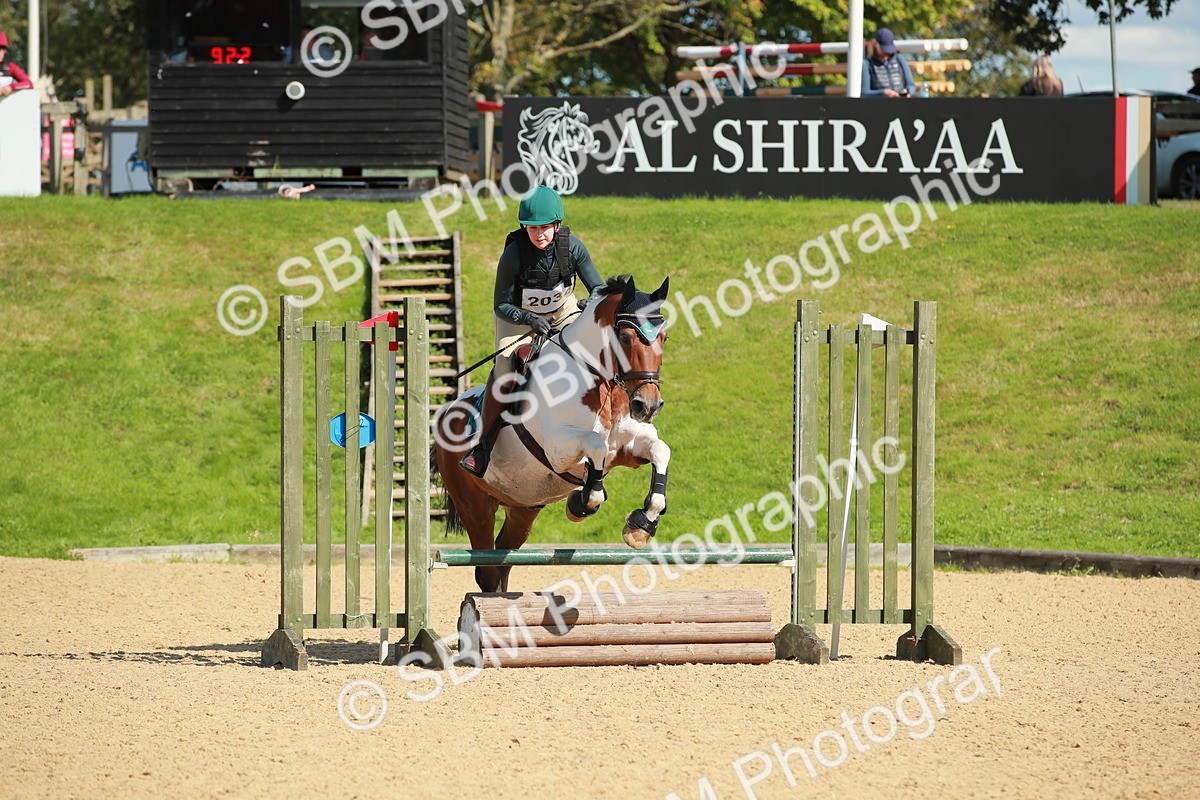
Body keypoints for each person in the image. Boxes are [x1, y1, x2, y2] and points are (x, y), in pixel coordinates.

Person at [459, 185, 606, 477]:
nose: (539, 234)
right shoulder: (513, 255)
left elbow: (599, 288)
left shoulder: (573, 247)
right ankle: (483, 447)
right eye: (532, 228)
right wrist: (529, 317)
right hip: (517, 318)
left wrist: (592, 300)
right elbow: (500, 304)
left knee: (593, 350)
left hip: (563, 311)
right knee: (504, 370)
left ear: (557, 225)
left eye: (545, 228)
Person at [861, 28, 915, 98]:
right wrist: (883, 92)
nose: (886, 54)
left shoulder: (899, 59)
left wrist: (908, 92)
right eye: (884, 50)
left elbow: (911, 85)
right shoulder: (867, 64)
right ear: (875, 44)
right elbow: (865, 93)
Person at [0, 32, 34, 98]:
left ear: (5, 51)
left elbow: (29, 84)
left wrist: (11, 87)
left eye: (2, 49)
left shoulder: (11, 67)